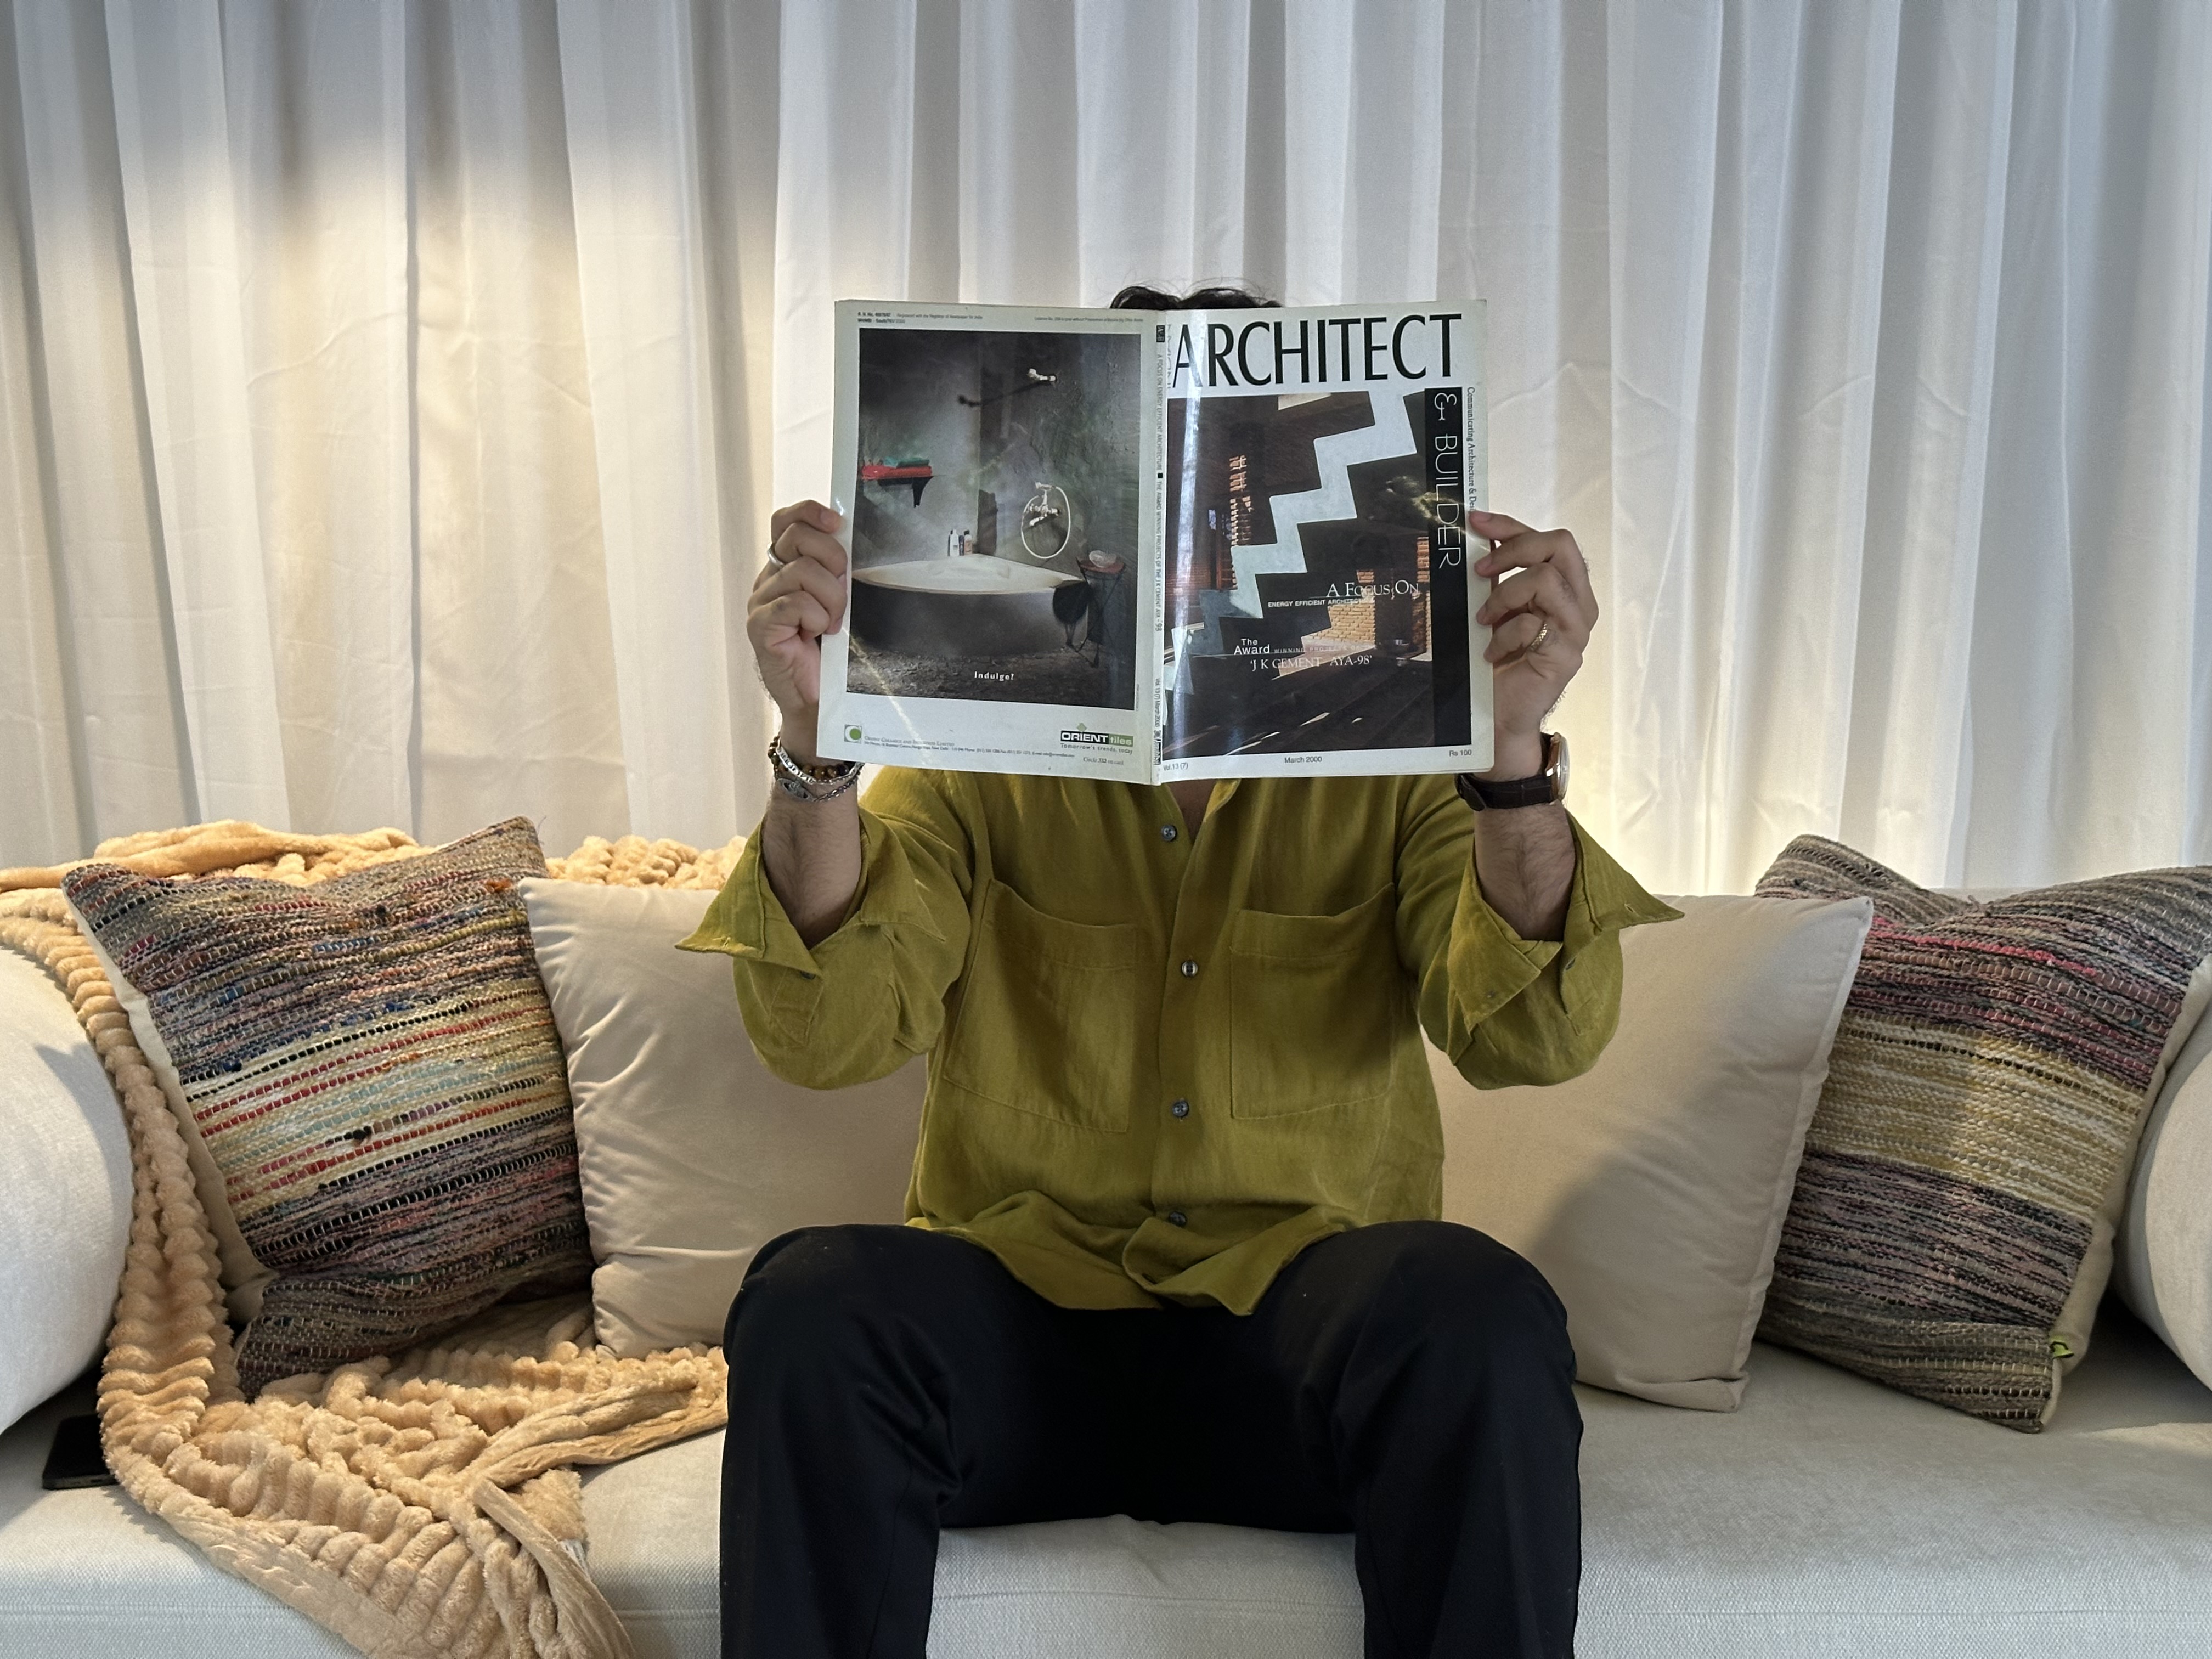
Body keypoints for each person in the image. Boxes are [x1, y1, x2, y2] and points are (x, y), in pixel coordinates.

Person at [684, 285, 1677, 1659]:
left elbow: (1534, 1039)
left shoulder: (1397, 747)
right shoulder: (976, 738)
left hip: (1299, 1348)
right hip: (1024, 1334)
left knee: (1481, 1311)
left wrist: (1511, 759)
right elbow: (831, 1034)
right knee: (813, 1303)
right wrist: (817, 740)